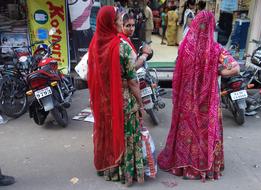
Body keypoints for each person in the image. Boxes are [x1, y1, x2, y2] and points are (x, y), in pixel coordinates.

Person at [158, 11, 240, 182]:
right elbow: (235, 68)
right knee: (204, 132)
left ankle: (183, 166)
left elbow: (177, 70)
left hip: (186, 99)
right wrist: (216, 71)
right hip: (207, 100)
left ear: (195, 25)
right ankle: (205, 166)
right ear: (211, 27)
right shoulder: (216, 49)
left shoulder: (184, 46)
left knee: (186, 131)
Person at [87, 6, 146, 186]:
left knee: (108, 131)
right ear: (111, 23)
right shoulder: (121, 47)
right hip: (123, 100)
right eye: (120, 21)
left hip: (104, 99)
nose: (122, 24)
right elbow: (133, 81)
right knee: (127, 134)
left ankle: (109, 169)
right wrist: (141, 104)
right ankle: (125, 173)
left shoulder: (95, 44)